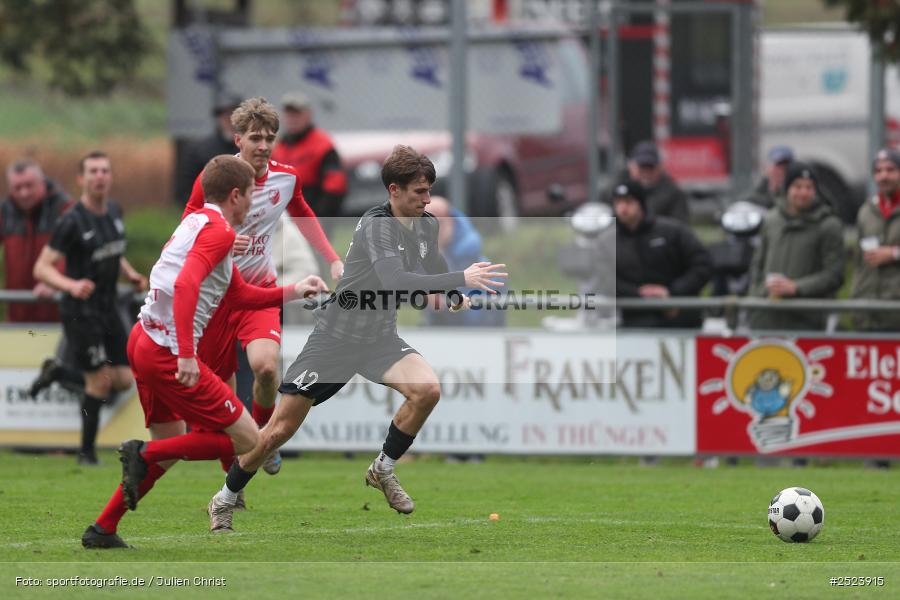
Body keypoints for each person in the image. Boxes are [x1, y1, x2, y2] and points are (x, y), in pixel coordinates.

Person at [205, 145, 507, 531]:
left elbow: (434, 266)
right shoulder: (375, 225)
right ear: (394, 190)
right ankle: (224, 498)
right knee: (278, 432)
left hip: (379, 338)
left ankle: (383, 468)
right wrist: (462, 279)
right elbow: (396, 279)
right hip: (336, 338)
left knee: (427, 390)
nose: (427, 199)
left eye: (429, 190)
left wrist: (450, 296)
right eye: (419, 192)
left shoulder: (426, 225)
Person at [79, 154, 328, 549]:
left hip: (142, 340)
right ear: (235, 195)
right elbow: (187, 285)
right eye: (251, 195)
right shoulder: (221, 234)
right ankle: (143, 453)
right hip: (165, 351)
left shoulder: (196, 222)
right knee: (248, 440)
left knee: (172, 448)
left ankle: (103, 529)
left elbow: (238, 294)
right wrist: (185, 355)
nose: (255, 203)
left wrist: (295, 291)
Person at [183, 97, 344, 479]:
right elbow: (189, 220)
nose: (264, 145)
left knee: (267, 368)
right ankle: (233, 481)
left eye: (270, 137)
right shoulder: (216, 178)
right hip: (216, 296)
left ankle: (263, 440)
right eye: (255, 137)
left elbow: (302, 212)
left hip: (259, 292)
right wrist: (218, 237)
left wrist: (332, 258)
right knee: (223, 390)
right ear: (237, 139)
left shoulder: (286, 177)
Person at [31, 152, 148, 465]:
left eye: (105, 171)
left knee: (124, 378)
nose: (100, 176)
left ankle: (58, 371)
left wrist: (130, 273)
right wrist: (70, 285)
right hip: (81, 311)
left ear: (110, 177)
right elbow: (41, 268)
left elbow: (114, 251)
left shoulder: (114, 210)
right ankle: (86, 454)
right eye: (93, 171)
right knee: (98, 381)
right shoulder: (71, 221)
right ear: (81, 179)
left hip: (110, 307)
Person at [748, 162, 845, 331]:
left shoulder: (829, 225)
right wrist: (758, 294)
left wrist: (796, 288)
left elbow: (834, 275)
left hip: (806, 321)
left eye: (809, 187)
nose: (803, 193)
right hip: (765, 318)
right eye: (797, 186)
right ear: (787, 188)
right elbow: (757, 265)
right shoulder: (771, 220)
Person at [614, 180, 711, 328]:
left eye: (629, 202)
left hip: (682, 320)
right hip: (634, 323)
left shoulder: (672, 231)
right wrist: (638, 293)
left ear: (641, 203)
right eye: (618, 202)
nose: (623, 208)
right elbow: (604, 279)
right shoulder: (609, 240)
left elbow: (703, 265)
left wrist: (672, 293)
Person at [2, 159, 74, 322]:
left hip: (58, 312)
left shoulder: (65, 209)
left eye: (29, 186)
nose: (24, 193)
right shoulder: (5, 212)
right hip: (17, 315)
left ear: (42, 182)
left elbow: (78, 252)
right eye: (17, 188)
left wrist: (54, 281)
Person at [421, 196, 505, 327]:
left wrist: (442, 303)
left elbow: (476, 319)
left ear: (452, 222)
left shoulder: (474, 262)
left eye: (440, 223)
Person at [270, 91, 347, 224]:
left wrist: (318, 217)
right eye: (289, 115)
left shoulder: (323, 145)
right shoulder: (277, 146)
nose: (292, 119)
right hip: (283, 214)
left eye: (297, 114)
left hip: (313, 211)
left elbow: (335, 186)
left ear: (308, 115)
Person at [851, 148, 900, 331]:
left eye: (890, 169)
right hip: (867, 312)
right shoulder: (866, 211)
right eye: (878, 171)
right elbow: (858, 262)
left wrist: (894, 253)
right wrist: (856, 296)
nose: (884, 176)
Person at [174, 95, 243, 205]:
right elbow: (184, 191)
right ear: (219, 118)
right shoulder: (198, 150)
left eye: (235, 115)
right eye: (227, 114)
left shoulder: (249, 148)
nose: (231, 120)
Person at [627, 141, 690, 223]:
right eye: (642, 168)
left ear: (660, 168)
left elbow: (679, 228)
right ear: (631, 167)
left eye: (650, 167)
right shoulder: (617, 189)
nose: (646, 173)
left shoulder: (673, 193)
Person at [748, 145, 794, 209]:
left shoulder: (795, 194)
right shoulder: (756, 194)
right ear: (767, 168)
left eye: (786, 166)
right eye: (778, 166)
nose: (782, 171)